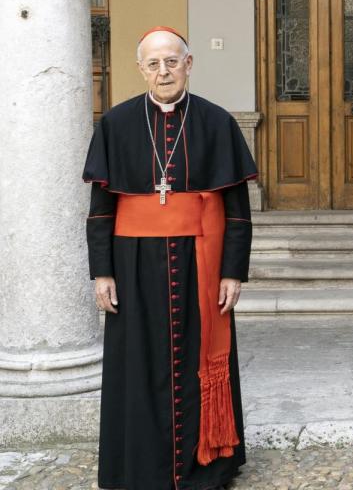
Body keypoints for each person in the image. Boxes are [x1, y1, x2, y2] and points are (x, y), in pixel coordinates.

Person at [83, 26, 257, 490]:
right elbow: (101, 209)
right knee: (137, 361)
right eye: (154, 64)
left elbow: (237, 212)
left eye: (172, 62)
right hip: (133, 264)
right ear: (141, 69)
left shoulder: (217, 122)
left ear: (189, 64)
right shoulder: (115, 124)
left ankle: (208, 466)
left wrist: (232, 272)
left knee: (200, 355)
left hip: (200, 262)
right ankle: (138, 465)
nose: (164, 72)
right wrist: (102, 272)